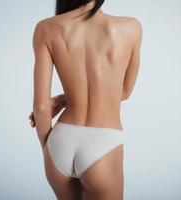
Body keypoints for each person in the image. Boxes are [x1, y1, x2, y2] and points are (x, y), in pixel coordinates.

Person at [28, 0, 143, 199]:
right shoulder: (131, 27)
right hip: (102, 141)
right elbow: (123, 91)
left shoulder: (46, 28)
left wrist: (47, 149)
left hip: (60, 143)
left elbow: (41, 107)